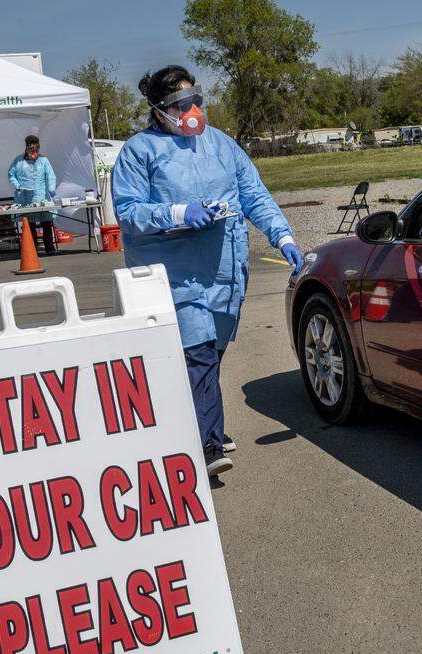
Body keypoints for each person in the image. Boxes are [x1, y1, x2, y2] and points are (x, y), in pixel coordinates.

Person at [112, 65, 303, 479]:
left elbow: (253, 194)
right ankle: (205, 444)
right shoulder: (139, 151)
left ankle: (207, 423)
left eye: (196, 99)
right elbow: (127, 213)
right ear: (160, 111)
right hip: (175, 274)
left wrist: (282, 236)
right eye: (180, 103)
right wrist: (178, 212)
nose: (192, 109)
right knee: (196, 353)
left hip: (224, 270)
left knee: (212, 351)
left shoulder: (221, 145)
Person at [8, 135, 58, 255]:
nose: (34, 153)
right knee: (30, 224)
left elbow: (50, 175)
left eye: (36, 151)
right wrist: (17, 185)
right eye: (32, 151)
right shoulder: (18, 161)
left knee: (46, 222)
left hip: (42, 197)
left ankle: (49, 247)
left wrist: (51, 188)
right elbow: (11, 175)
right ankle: (32, 249)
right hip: (25, 197)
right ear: (27, 149)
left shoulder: (43, 160)